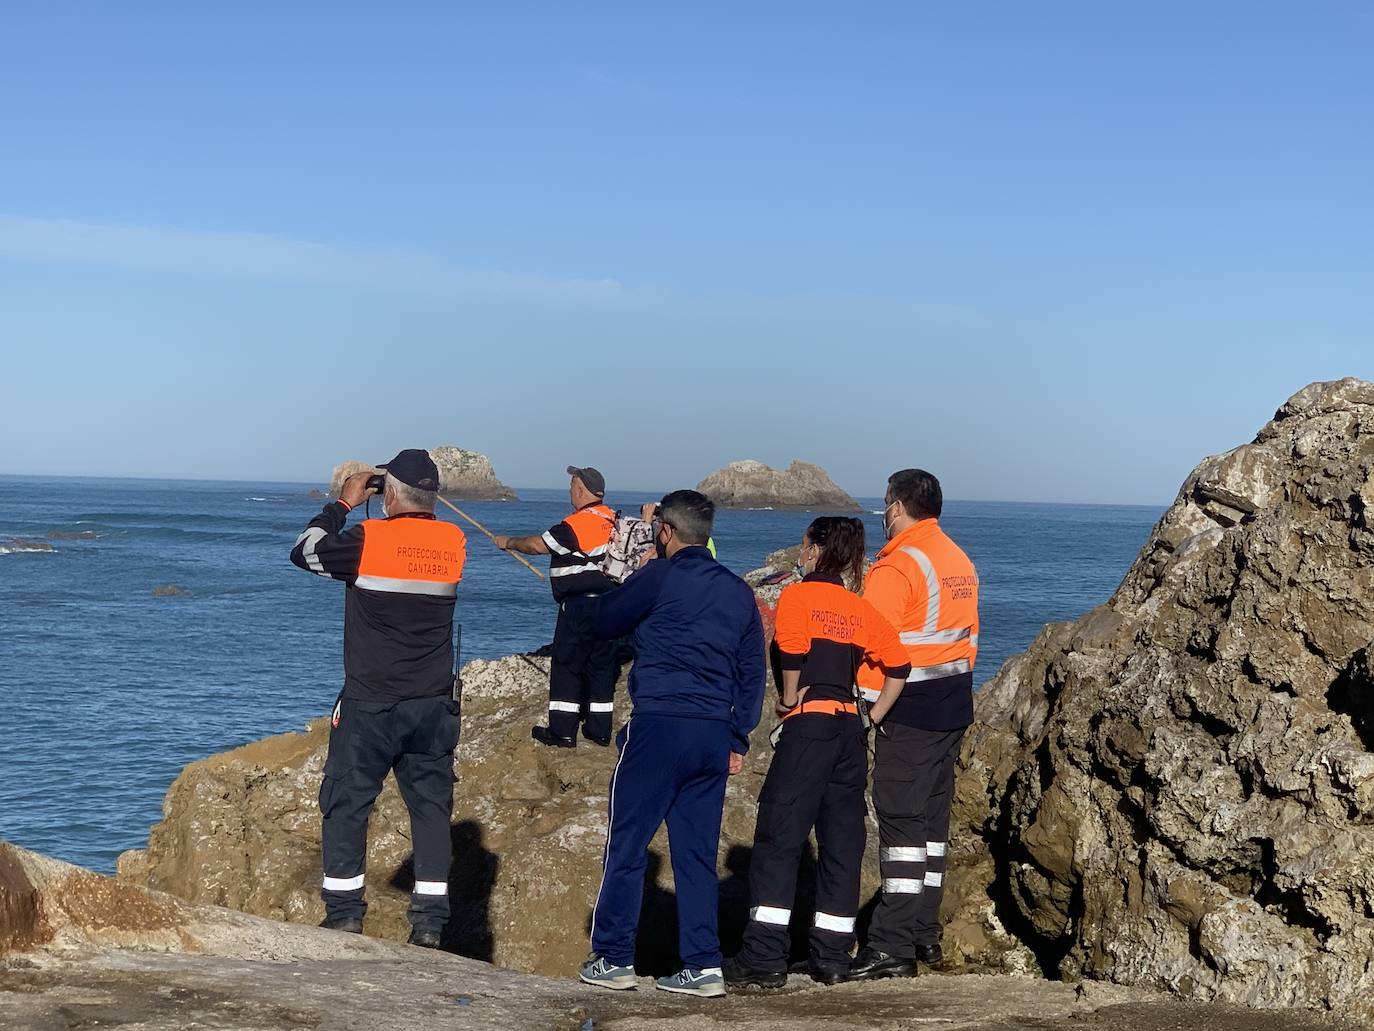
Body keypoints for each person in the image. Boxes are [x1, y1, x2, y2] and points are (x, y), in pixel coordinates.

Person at [577, 490, 765, 998]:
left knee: (629, 839)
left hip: (659, 723)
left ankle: (614, 956)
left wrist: (635, 573)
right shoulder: (738, 591)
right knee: (697, 853)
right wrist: (738, 739)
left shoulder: (659, 575)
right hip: (712, 733)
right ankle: (703, 964)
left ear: (665, 531)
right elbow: (752, 672)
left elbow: (604, 620)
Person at [289, 449, 467, 948]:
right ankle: (429, 924)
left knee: (347, 804)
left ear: (388, 495)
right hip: (432, 702)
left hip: (370, 703)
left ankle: (345, 914)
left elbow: (305, 551)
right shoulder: (454, 541)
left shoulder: (370, 537)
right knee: (430, 809)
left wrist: (343, 504)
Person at [723, 517, 911, 987]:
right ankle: (831, 957)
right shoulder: (856, 606)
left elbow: (790, 647)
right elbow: (900, 664)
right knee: (843, 843)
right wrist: (875, 716)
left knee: (777, 838)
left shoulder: (798, 595)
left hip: (808, 726)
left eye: (804, 545)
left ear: (812, 551)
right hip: (850, 727)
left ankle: (764, 958)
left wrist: (788, 700)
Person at [848, 469, 979, 980]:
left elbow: (869, 642)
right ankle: (924, 934)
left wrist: (863, 705)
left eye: (885, 504)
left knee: (901, 826)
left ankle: (890, 945)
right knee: (931, 827)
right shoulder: (957, 559)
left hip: (911, 710)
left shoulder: (898, 565)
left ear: (898, 507)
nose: (883, 514)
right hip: (954, 703)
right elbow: (968, 637)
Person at [493, 466, 618, 748]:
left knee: (567, 665)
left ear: (580, 490)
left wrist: (509, 542)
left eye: (572, 484)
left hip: (578, 607)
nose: (570, 490)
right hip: (611, 604)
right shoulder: (612, 519)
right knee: (601, 666)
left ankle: (562, 731)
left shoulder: (577, 524)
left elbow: (538, 545)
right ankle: (600, 730)